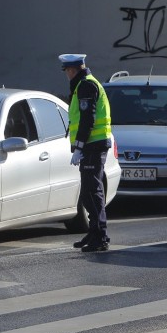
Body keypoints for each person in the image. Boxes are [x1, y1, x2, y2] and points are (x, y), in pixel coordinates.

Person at [60, 53, 113, 252]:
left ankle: (100, 235)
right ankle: (95, 231)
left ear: (73, 70)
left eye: (67, 71)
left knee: (92, 192)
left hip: (93, 145)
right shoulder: (84, 84)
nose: (67, 74)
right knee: (89, 192)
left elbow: (87, 119)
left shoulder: (86, 86)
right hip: (92, 145)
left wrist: (80, 146)